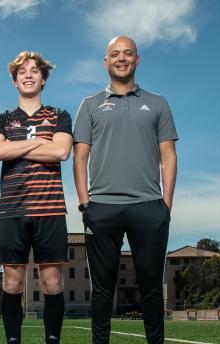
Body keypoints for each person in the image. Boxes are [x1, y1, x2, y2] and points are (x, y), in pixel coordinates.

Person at [73, 36, 178, 344]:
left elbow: (169, 156)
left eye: (127, 53)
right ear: (106, 62)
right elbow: (80, 157)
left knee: (150, 287)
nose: (121, 58)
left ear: (137, 60)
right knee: (103, 289)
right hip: (101, 208)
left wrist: (165, 205)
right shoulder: (90, 104)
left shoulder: (158, 102)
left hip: (149, 206)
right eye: (115, 54)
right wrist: (84, 204)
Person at [0, 51, 72, 344]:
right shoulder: (2, 118)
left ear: (43, 78)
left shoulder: (59, 115)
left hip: (50, 209)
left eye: (35, 70)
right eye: (22, 71)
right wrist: (39, 142)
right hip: (13, 210)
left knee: (52, 282)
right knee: (12, 281)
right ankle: (13, 340)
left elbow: (61, 151)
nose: (28, 74)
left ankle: (52, 340)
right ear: (14, 80)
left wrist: (16, 145)